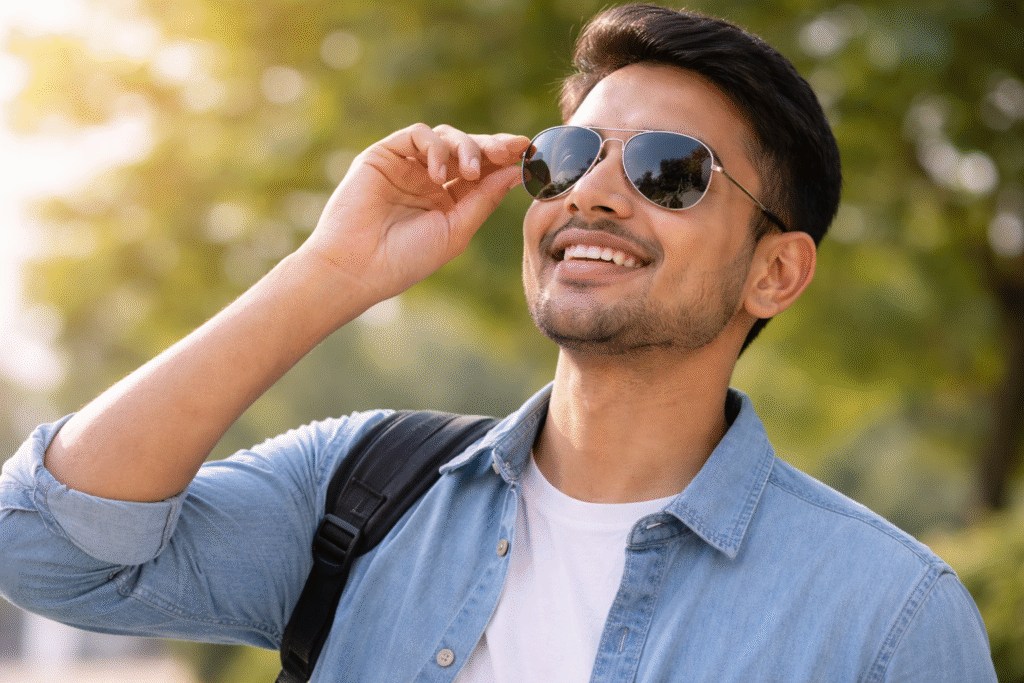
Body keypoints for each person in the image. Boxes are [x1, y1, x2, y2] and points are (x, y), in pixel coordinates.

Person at [0, 3, 997, 682]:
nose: (593, 193)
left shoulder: (889, 614)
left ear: (773, 270)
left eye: (666, 171)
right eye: (571, 156)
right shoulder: (358, 492)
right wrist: (332, 272)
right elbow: (45, 545)